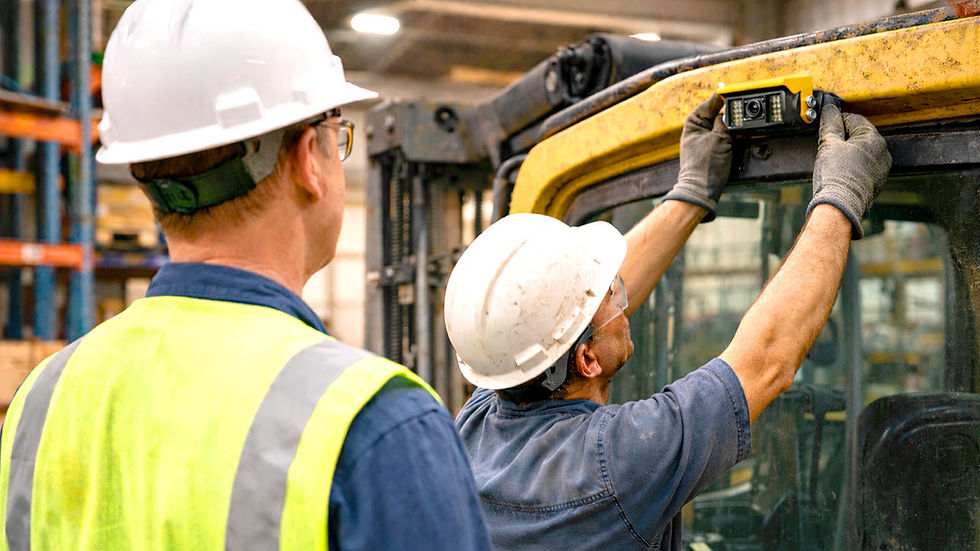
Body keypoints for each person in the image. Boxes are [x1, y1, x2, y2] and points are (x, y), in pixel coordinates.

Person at [0, 1, 491, 549]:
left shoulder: (39, 400)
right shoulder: (375, 423)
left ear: (143, 172)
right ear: (309, 158)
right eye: (338, 132)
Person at [445, 95, 891, 549]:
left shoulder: (478, 424)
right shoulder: (616, 462)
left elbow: (551, 321)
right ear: (587, 359)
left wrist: (690, 194)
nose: (622, 293)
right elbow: (766, 359)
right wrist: (841, 197)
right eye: (612, 298)